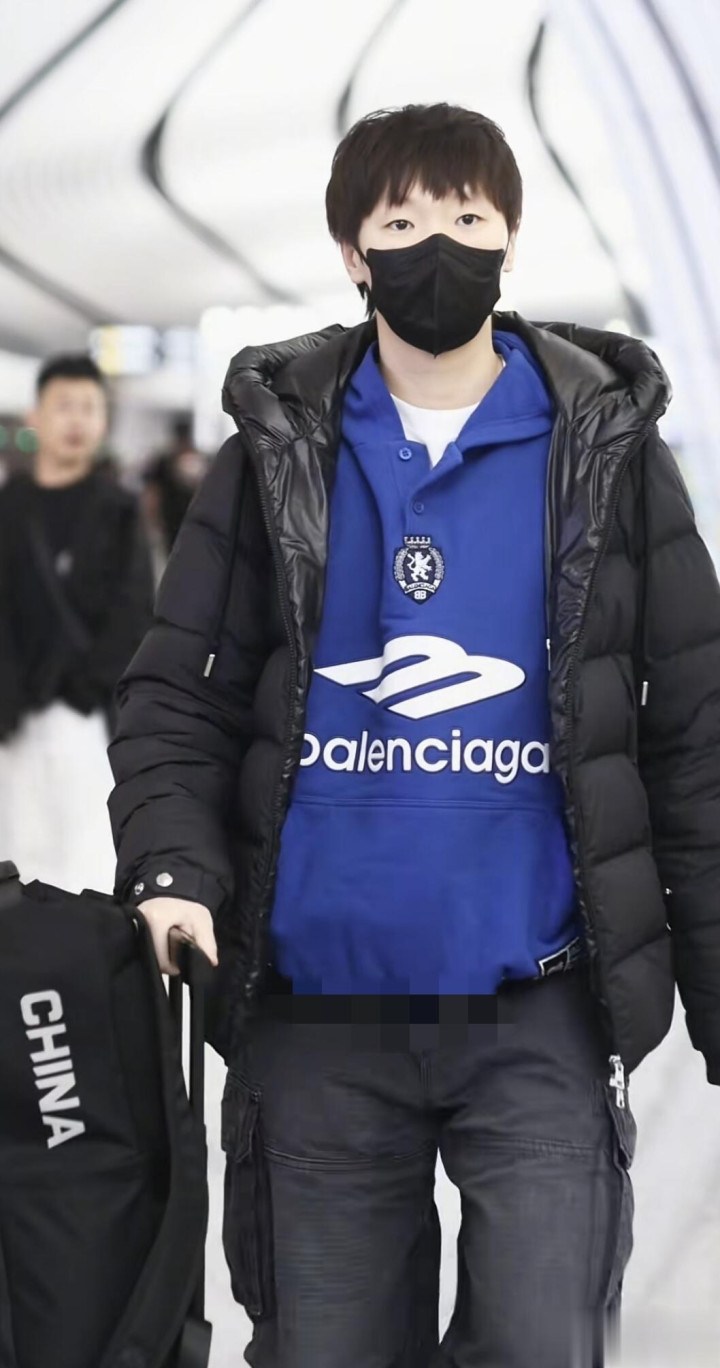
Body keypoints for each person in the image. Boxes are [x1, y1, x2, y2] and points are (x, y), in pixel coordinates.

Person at [108, 104, 720, 1366]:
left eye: (468, 216)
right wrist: (173, 870)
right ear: (351, 252)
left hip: (539, 1007)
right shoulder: (277, 447)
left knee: (542, 1343)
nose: (437, 244)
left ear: (511, 240)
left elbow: (695, 730)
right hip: (316, 1012)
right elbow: (178, 695)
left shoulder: (602, 450)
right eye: (400, 222)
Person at [0, 354, 154, 894]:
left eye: (89, 407)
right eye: (63, 406)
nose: (77, 420)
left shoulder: (119, 508)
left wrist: (85, 687)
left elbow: (135, 610)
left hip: (89, 715)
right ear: (35, 418)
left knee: (88, 854)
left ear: (103, 421)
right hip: (12, 716)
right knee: (15, 850)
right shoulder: (9, 506)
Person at [141, 415, 210, 558]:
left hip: (178, 519)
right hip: (180, 519)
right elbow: (153, 493)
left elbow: (152, 494)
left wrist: (153, 519)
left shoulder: (165, 460)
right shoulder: (201, 460)